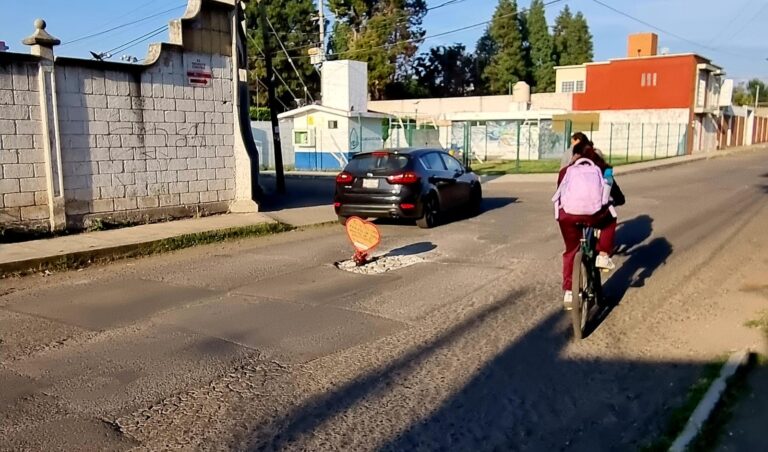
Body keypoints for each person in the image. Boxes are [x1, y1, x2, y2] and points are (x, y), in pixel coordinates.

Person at [553, 140, 618, 309]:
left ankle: (569, 292)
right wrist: (619, 200)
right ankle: (603, 255)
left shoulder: (566, 171)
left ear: (575, 155)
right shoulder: (604, 168)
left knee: (571, 251)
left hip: (568, 216)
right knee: (610, 219)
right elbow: (614, 190)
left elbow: (560, 192)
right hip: (594, 215)